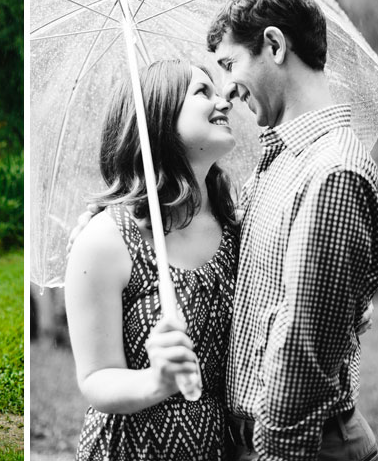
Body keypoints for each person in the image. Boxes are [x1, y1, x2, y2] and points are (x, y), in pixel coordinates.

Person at [208, 0, 378, 460]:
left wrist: (269, 452)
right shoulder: (281, 161)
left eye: (230, 64)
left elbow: (303, 361)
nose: (226, 89)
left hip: (300, 447)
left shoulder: (332, 172)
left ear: (273, 44)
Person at [66, 59, 239, 460]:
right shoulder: (106, 241)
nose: (225, 102)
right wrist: (156, 382)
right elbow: (95, 379)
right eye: (203, 92)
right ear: (159, 116)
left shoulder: (236, 223)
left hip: (218, 446)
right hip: (133, 447)